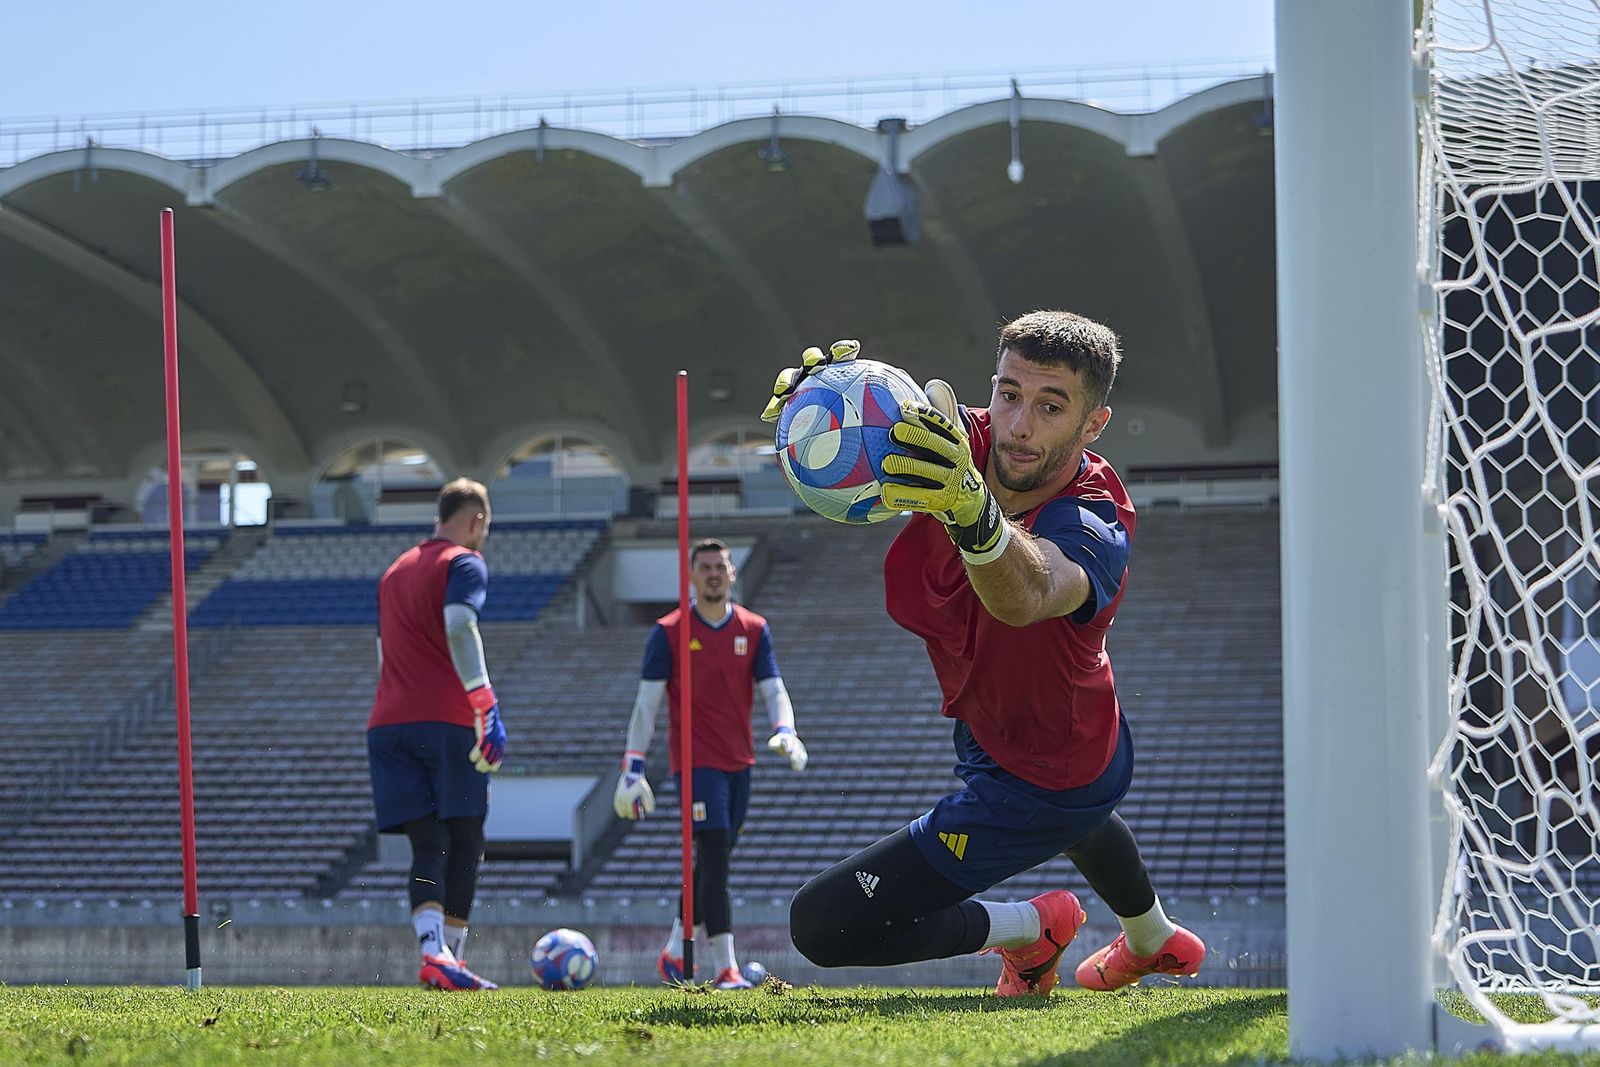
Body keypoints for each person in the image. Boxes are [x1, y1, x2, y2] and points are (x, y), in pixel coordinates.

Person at [769, 314, 1205, 996]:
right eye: (1008, 394)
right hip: (1021, 725)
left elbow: (1029, 591)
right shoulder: (963, 439)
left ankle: (1032, 929)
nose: (1018, 424)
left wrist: (973, 511)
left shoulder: (1095, 515)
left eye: (1051, 406)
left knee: (821, 925)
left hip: (1046, 772)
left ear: (1094, 424)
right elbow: (895, 420)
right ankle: (1153, 938)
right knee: (1085, 821)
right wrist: (824, 403)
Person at [612, 538, 809, 990]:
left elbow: (773, 687)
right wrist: (633, 765)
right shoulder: (669, 632)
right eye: (704, 567)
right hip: (696, 764)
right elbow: (647, 704)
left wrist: (786, 728)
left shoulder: (754, 628)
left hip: (740, 762)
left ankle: (672, 948)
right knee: (716, 857)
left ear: (732, 573)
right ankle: (726, 966)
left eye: (721, 566)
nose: (713, 574)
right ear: (691, 575)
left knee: (712, 862)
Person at [366, 478, 508, 991]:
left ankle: (436, 954)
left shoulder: (394, 571)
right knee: (466, 838)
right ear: (476, 520)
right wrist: (483, 698)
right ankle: (449, 955)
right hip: (446, 720)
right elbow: (458, 624)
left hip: (388, 723)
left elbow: (384, 654)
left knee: (428, 841)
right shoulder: (463, 562)